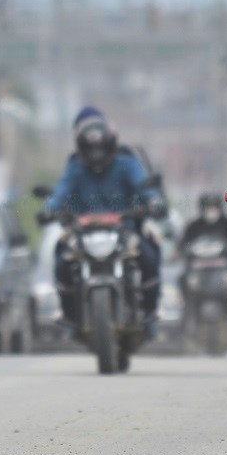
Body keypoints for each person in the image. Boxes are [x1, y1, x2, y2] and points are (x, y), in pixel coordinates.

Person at [39, 106, 166, 334]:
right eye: (90, 148)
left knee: (149, 254)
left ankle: (150, 314)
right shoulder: (75, 166)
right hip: (82, 232)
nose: (96, 155)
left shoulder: (126, 162)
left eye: (101, 148)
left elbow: (144, 186)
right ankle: (71, 316)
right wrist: (49, 209)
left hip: (124, 230)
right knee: (61, 258)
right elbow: (60, 192)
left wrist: (154, 201)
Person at [181, 193, 227, 324]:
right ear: (202, 209)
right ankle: (186, 313)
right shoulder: (194, 226)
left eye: (214, 207)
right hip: (198, 270)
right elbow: (183, 242)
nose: (211, 211)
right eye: (208, 208)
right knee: (182, 279)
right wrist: (179, 250)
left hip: (224, 269)